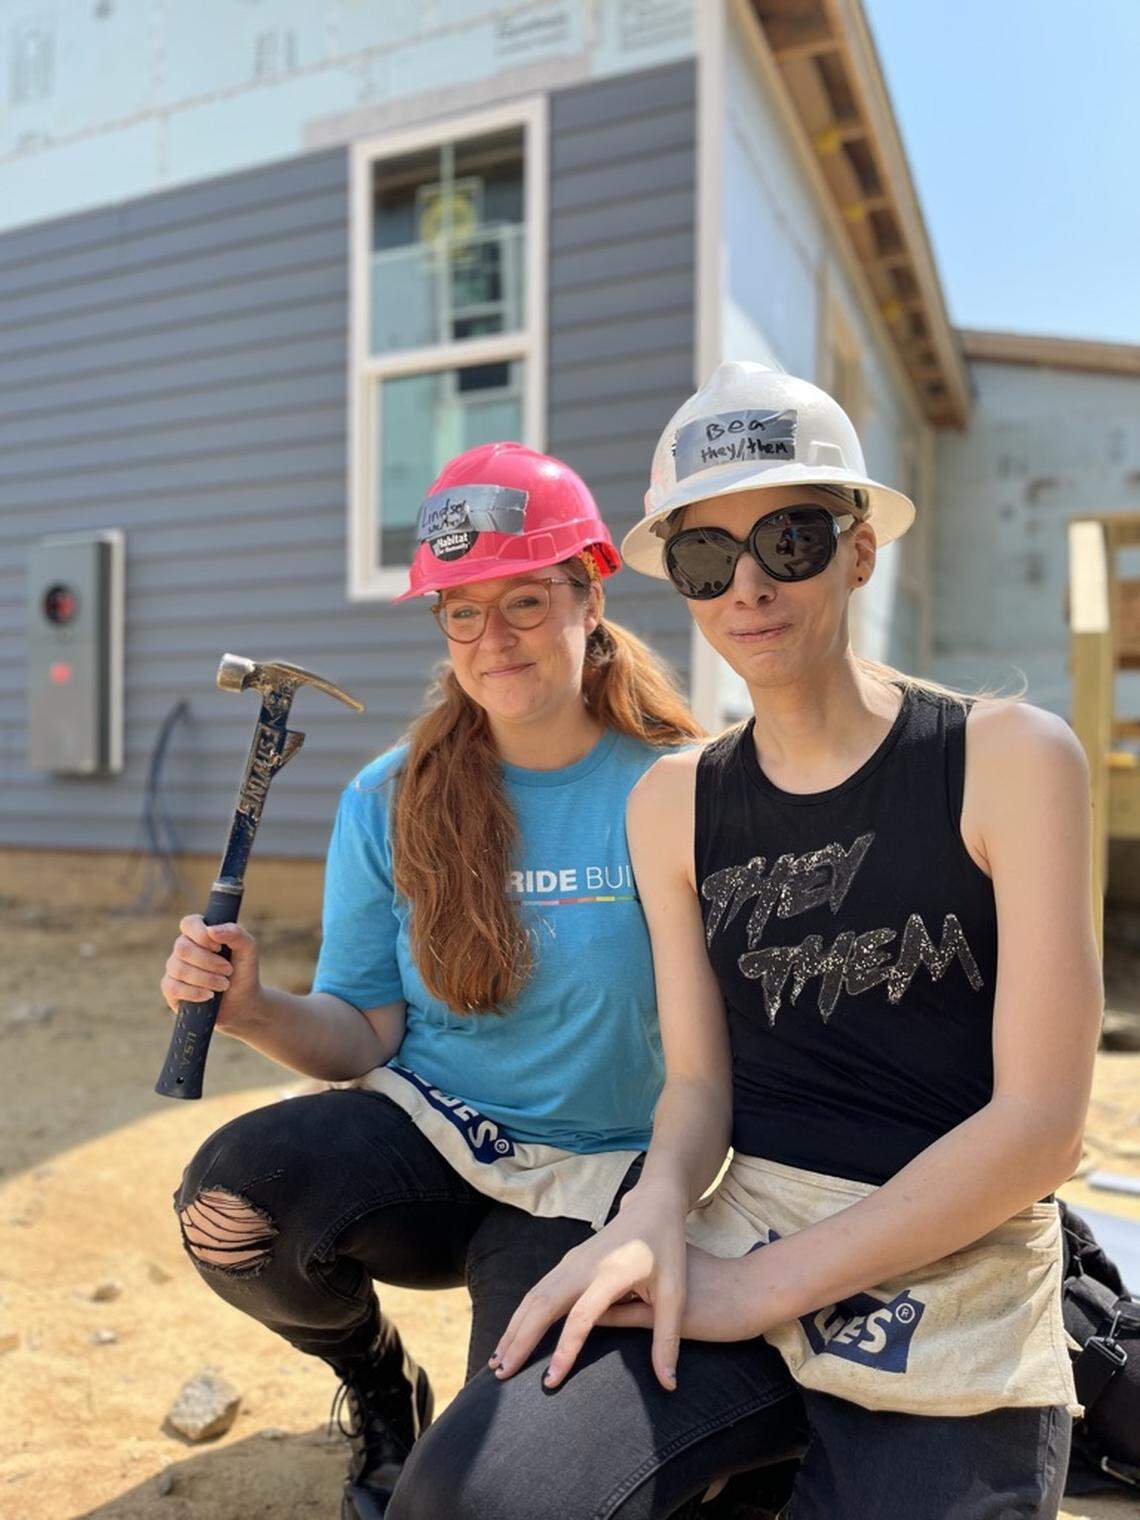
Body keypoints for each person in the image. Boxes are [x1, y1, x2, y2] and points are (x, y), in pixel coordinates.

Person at [387, 363, 1103, 1520]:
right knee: (463, 1497)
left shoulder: (1009, 761)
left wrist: (750, 1290)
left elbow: (1035, 1130)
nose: (750, 585)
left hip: (956, 1252)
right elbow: (700, 1083)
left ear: (860, 548)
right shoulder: (674, 801)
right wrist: (653, 1213)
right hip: (745, 1218)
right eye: (709, 558)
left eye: (791, 537)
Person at [161, 442, 703, 1519]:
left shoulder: (680, 782)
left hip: (599, 1185)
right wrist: (255, 1006)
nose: (492, 639)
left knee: (484, 1493)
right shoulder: (392, 795)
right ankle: (378, 1385)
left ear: (589, 596)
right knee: (228, 1207)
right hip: (438, 1144)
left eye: (525, 601)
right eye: (461, 610)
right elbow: (364, 1026)